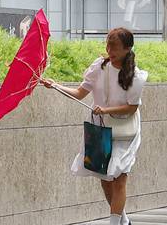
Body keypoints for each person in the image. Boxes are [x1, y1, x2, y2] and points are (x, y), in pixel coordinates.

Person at [42, 27, 148, 225]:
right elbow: (80, 93)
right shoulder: (99, 67)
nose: (109, 50)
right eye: (107, 44)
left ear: (127, 48)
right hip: (100, 128)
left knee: (120, 177)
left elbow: (132, 108)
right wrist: (55, 86)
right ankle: (124, 221)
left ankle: (114, 223)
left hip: (125, 133)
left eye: (114, 46)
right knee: (105, 179)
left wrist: (106, 110)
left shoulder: (135, 76)